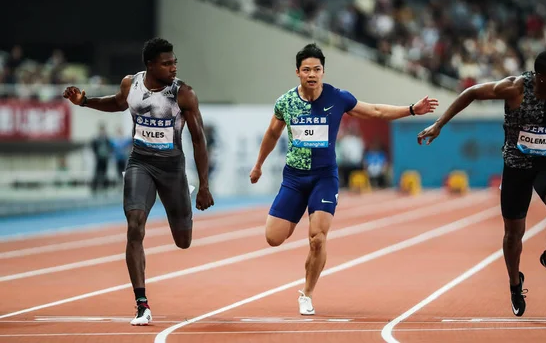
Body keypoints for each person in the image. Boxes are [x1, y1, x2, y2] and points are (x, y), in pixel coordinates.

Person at [249, 43, 438, 315]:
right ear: (297, 73)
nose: (312, 74)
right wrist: (258, 165)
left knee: (317, 238)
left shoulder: (338, 98)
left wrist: (411, 109)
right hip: (294, 178)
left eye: (316, 69)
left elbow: (374, 111)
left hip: (324, 177)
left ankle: (307, 293)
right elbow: (271, 133)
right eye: (306, 70)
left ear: (323, 71)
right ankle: (293, 219)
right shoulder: (286, 102)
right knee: (273, 238)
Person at [63, 37, 214, 325]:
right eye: (166, 63)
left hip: (172, 168)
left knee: (183, 241)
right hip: (140, 163)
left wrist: (204, 185)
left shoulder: (183, 94)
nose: (173, 67)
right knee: (134, 226)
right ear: (150, 65)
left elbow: (198, 139)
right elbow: (118, 103)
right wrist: (84, 102)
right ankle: (141, 303)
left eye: (174, 62)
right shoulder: (130, 84)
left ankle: (185, 201)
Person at [417, 51, 546, 317]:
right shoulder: (514, 88)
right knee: (514, 234)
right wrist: (439, 124)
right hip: (516, 167)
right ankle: (515, 284)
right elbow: (471, 93)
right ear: (541, 77)